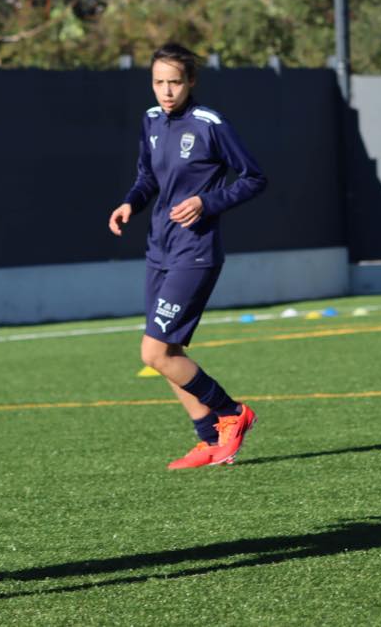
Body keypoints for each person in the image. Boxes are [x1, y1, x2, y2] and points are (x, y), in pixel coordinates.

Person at [108, 43, 267, 470]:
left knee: (154, 352)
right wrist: (129, 204)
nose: (166, 90)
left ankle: (232, 414)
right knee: (170, 350)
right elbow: (147, 177)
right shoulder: (151, 121)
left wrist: (207, 202)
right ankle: (208, 439)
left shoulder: (210, 124)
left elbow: (254, 178)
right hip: (159, 249)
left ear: (191, 81)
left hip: (195, 253)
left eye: (174, 81)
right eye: (158, 82)